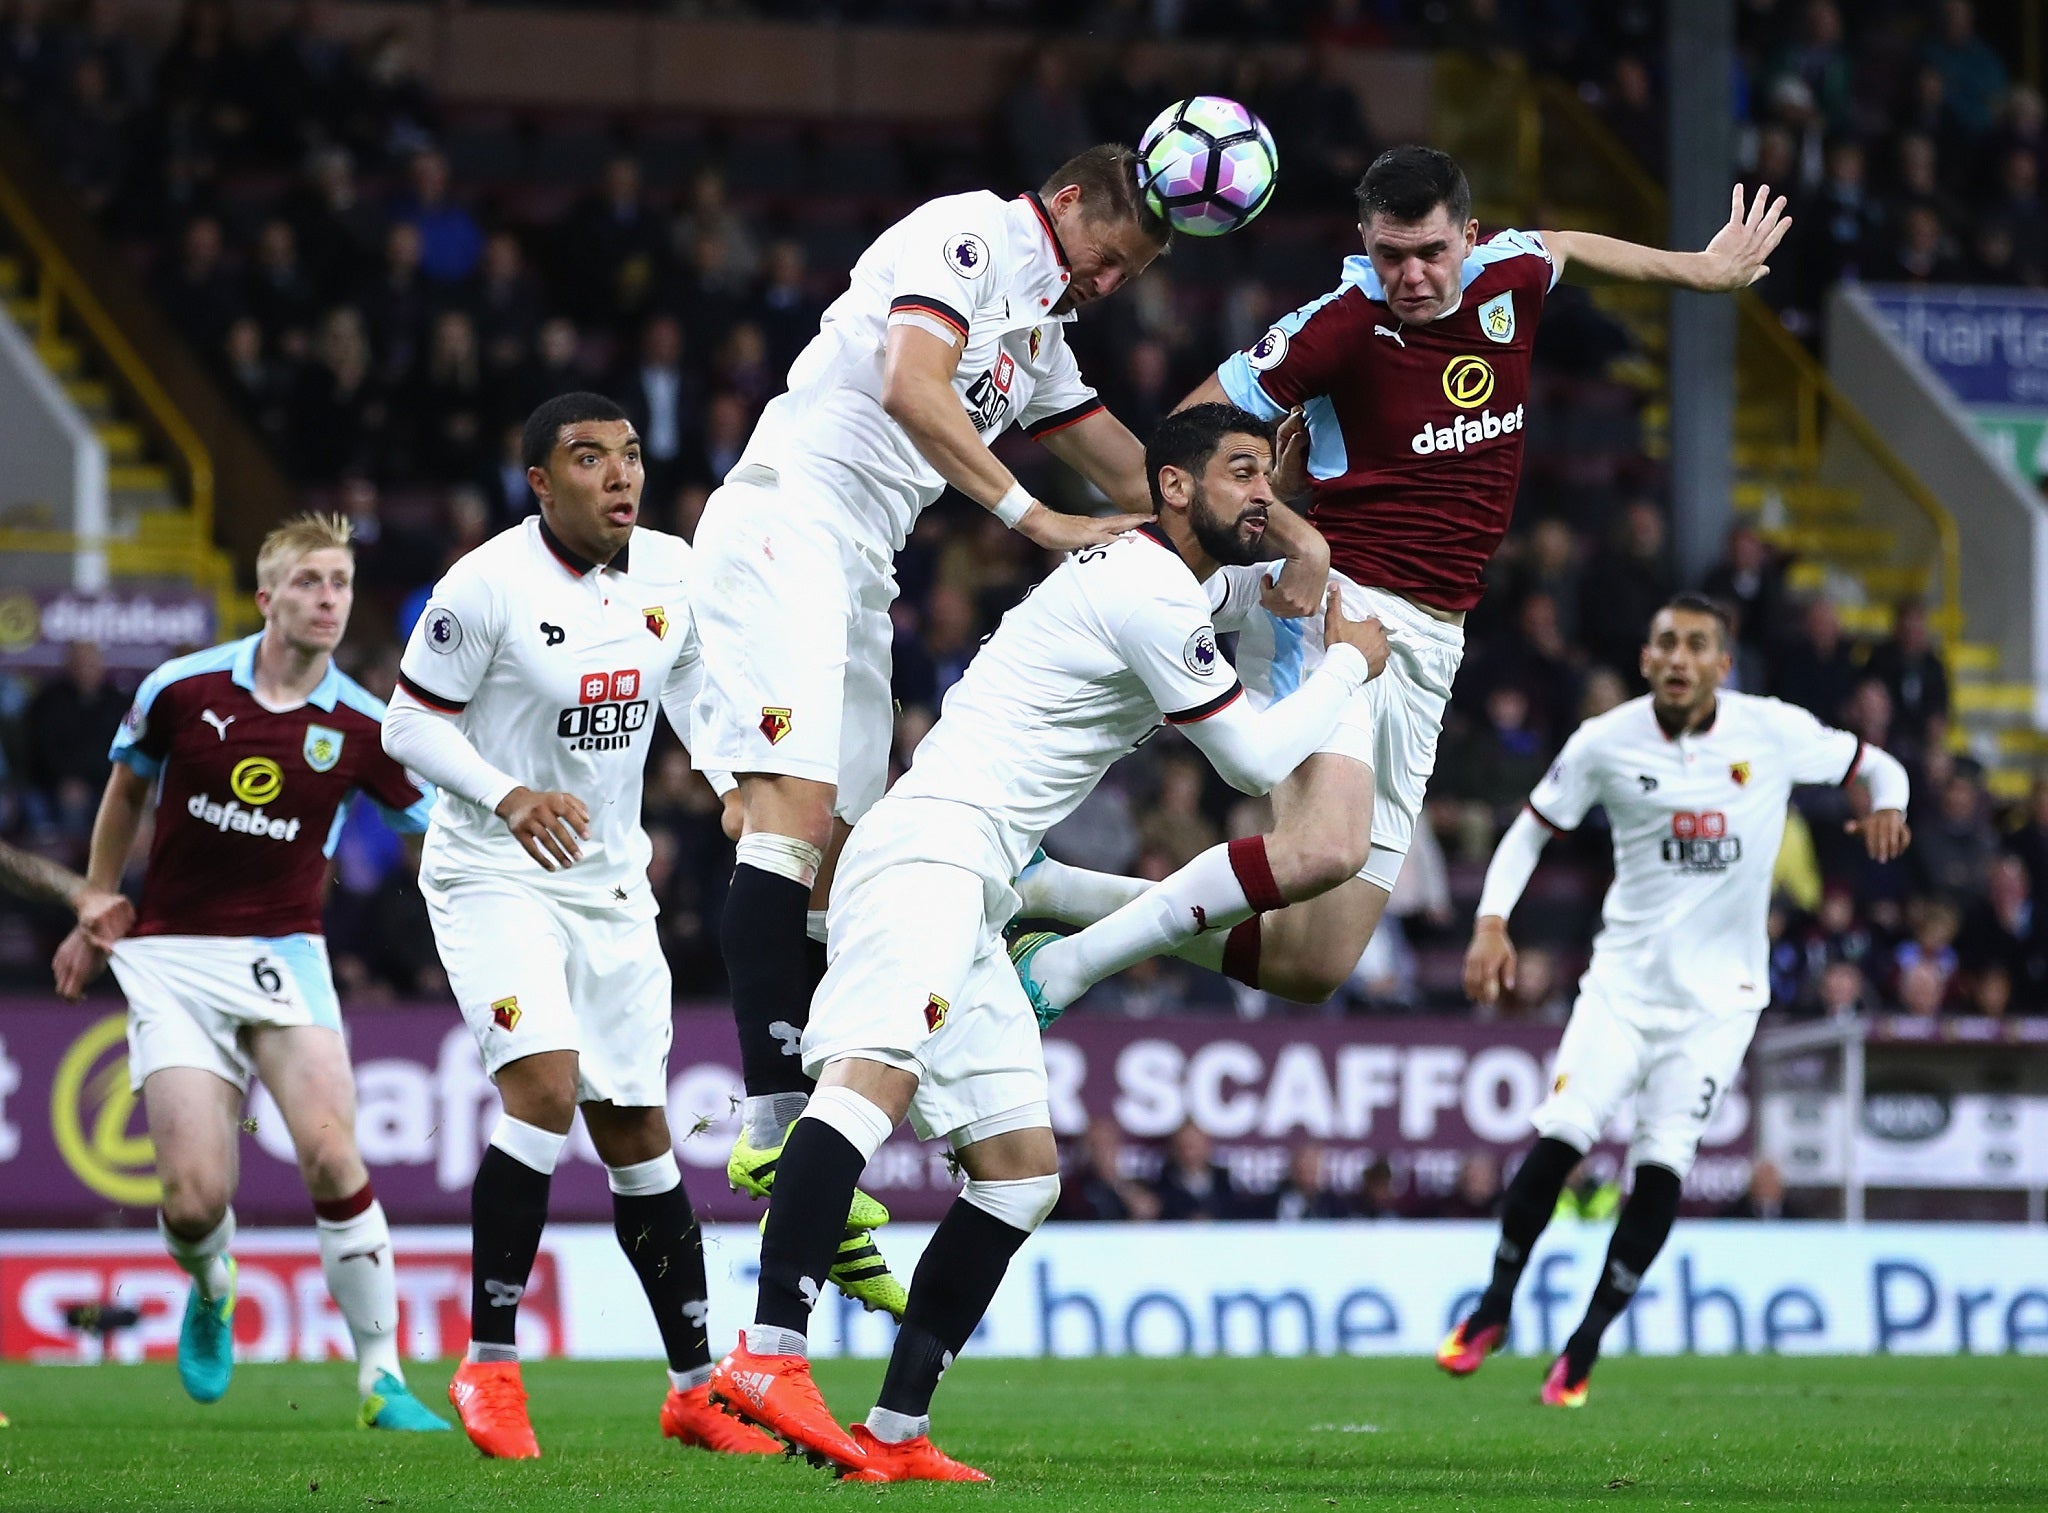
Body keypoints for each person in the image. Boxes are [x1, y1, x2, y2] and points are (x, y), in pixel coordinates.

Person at [705, 405, 1387, 1482]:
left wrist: (1297, 528)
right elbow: (1255, 766)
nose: (1260, 490)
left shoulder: (1176, 581)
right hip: (931, 851)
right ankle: (766, 1354)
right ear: (1171, 486)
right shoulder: (1144, 589)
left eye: (1267, 472)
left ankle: (892, 1433)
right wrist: (1349, 669)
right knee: (865, 1085)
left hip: (981, 880)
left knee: (1020, 1176)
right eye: (1238, 470)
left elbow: (1290, 568)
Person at [693, 141, 1323, 1296]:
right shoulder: (966, 237)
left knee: (841, 859)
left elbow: (1145, 478)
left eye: (1128, 277)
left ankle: (821, 1137)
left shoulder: (1037, 334)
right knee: (785, 824)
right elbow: (910, 385)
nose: (1106, 283)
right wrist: (1033, 517)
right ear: (1068, 200)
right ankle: (778, 1127)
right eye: (1105, 257)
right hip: (784, 525)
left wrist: (1258, 502)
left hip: (856, 570)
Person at [1013, 145, 1790, 1015]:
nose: (1412, 276)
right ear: (1363, 242)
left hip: (1433, 641)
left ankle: (1055, 893)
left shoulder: (1512, 273)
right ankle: (1065, 970)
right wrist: (1294, 527)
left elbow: (1567, 242)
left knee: (1311, 962)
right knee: (1321, 847)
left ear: (1470, 234)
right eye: (1390, 255)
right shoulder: (1337, 324)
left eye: (1431, 252)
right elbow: (1179, 444)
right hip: (1337, 604)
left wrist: (1703, 269)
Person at [380, 393, 774, 1463]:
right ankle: (489, 1365)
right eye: (588, 457)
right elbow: (406, 721)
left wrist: (732, 779)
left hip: (605, 884)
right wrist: (507, 795)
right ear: (539, 483)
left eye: (631, 454)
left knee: (637, 1129)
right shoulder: (485, 584)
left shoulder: (671, 571)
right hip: (492, 872)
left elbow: (693, 684)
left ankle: (695, 1388)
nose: (619, 474)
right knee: (545, 1090)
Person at [1436, 594, 1910, 1407]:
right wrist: (1489, 923)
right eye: (1666, 643)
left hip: (1720, 1002)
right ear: (1647, 659)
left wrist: (1891, 802)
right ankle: (1493, 1305)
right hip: (1621, 986)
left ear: (1723, 664)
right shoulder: (1603, 741)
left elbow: (1877, 765)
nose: (1680, 657)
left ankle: (1585, 1342)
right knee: (1561, 1137)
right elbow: (1528, 831)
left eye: (1697, 644)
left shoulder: (1770, 730)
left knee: (1662, 1163)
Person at [49, 514, 449, 1433]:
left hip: (284, 952)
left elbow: (431, 832)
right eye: (309, 581)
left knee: (331, 1150)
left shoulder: (359, 725)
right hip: (172, 955)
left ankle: (381, 1378)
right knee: (195, 1197)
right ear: (267, 597)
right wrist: (95, 901)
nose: (327, 599)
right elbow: (125, 790)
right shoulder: (180, 689)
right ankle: (213, 1278)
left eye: (341, 584)